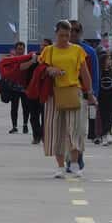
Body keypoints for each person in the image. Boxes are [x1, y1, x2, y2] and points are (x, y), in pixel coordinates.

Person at [40, 20, 97, 178]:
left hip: (73, 92)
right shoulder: (49, 51)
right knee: (55, 130)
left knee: (75, 129)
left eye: (67, 35)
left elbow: (85, 73)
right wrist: (50, 69)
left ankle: (73, 163)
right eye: (61, 35)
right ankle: (59, 166)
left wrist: (90, 93)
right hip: (54, 94)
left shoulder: (78, 50)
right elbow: (41, 70)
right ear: (56, 34)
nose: (65, 38)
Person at [69, 21, 100, 143]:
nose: (73, 33)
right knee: (66, 129)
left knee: (79, 129)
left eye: (76, 30)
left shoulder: (90, 51)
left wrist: (93, 95)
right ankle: (70, 157)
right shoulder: (56, 49)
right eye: (71, 30)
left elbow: (94, 74)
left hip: (82, 94)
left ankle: (77, 158)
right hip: (62, 93)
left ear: (81, 32)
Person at [26, 38, 51, 145]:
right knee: (33, 116)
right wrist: (32, 61)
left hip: (45, 92)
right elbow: (23, 69)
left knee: (45, 116)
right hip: (33, 91)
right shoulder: (34, 57)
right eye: (42, 45)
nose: (42, 47)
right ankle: (37, 136)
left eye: (45, 45)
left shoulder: (51, 59)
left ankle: (44, 135)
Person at [96, 52, 112, 146]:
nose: (110, 61)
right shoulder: (99, 72)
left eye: (111, 59)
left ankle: (108, 132)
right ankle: (103, 134)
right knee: (103, 116)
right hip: (101, 97)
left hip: (111, 97)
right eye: (108, 59)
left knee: (110, 116)